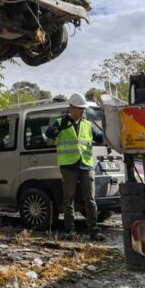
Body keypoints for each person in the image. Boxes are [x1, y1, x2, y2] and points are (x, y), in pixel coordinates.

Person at [45, 93, 103, 235]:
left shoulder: (88, 124)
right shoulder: (61, 122)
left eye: (84, 109)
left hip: (86, 164)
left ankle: (94, 228)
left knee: (90, 198)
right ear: (71, 108)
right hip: (68, 164)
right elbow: (49, 133)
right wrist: (60, 128)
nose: (83, 111)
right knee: (68, 199)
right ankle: (70, 228)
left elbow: (100, 138)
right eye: (80, 108)